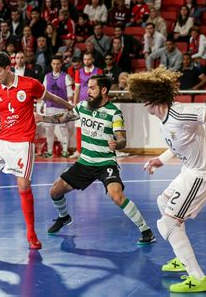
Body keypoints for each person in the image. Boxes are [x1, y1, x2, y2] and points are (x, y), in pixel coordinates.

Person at [126, 67, 206, 293]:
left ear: (154, 99)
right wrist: (160, 160)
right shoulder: (166, 119)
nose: (143, 104)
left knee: (168, 222)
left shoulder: (179, 115)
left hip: (205, 172)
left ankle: (197, 277)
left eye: (145, 99)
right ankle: (181, 257)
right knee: (163, 203)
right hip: (191, 169)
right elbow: (178, 143)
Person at [0, 52, 73, 250]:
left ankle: (31, 234)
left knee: (23, 186)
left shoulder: (29, 84)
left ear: (8, 68)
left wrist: (71, 107)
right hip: (2, 141)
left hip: (23, 143)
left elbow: (51, 97)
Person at [35, 75, 156, 245]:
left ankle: (146, 231)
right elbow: (63, 118)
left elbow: (122, 139)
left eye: (92, 88)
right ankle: (64, 217)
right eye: (88, 88)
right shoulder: (83, 106)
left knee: (117, 196)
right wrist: (42, 118)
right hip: (85, 162)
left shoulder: (114, 113)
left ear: (103, 90)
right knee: (55, 191)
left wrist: (117, 143)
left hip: (105, 163)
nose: (87, 92)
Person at [39, 56, 73, 158]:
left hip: (62, 107)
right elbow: (44, 91)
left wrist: (70, 104)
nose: (55, 66)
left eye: (58, 64)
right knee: (49, 129)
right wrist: (41, 104)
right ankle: (49, 151)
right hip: (49, 107)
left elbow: (69, 92)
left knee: (63, 129)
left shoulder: (65, 76)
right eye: (54, 64)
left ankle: (65, 150)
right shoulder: (47, 76)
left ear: (61, 64)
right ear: (51, 64)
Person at [72, 52, 102, 158]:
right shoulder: (78, 72)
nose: (86, 61)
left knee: (95, 127)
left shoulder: (98, 71)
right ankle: (79, 151)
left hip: (95, 104)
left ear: (92, 60)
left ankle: (96, 150)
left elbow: (100, 88)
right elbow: (77, 89)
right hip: (81, 104)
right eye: (85, 59)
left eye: (88, 59)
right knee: (79, 127)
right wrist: (75, 105)